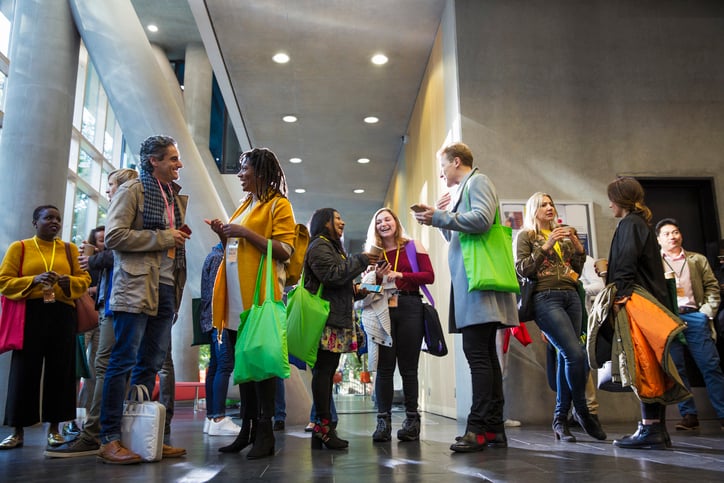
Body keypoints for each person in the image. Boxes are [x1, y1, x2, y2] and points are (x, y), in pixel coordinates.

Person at [413, 142, 518, 452]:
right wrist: (442, 216)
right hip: (471, 284)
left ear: (456, 161)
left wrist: (441, 218)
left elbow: (483, 220)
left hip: (478, 285)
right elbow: (456, 235)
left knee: (477, 356)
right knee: (485, 356)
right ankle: (494, 429)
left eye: (443, 166)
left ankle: (477, 428)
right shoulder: (463, 190)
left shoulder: (479, 181)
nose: (441, 172)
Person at [98, 135, 189, 464]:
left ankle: (140, 436)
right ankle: (109, 438)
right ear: (154, 161)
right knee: (122, 361)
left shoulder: (172, 196)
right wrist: (165, 237)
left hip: (166, 287)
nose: (179, 164)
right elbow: (114, 236)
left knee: (150, 365)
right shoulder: (132, 190)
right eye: (173, 159)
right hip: (136, 287)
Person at [207, 147, 297, 459]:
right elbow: (235, 248)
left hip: (258, 296)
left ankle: (265, 432)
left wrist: (244, 232)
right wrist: (225, 235)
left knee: (261, 367)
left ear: (260, 171)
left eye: (245, 169)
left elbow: (285, 249)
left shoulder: (278, 205)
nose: (240, 174)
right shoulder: (246, 203)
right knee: (244, 367)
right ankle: (246, 430)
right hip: (233, 295)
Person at [45, 169, 139, 458]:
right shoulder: (123, 212)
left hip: (120, 301)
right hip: (111, 302)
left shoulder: (128, 212)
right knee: (105, 365)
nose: (108, 190)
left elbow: (125, 251)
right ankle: (101, 430)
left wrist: (94, 259)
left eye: (111, 185)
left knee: (107, 365)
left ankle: (97, 432)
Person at [515, 192, 606, 442]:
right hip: (545, 298)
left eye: (551, 204)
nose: (549, 208)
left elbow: (575, 270)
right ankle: (583, 413)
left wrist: (578, 249)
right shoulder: (526, 236)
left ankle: (560, 419)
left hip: (571, 297)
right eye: (543, 204)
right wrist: (546, 245)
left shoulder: (564, 236)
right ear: (533, 209)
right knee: (574, 353)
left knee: (570, 357)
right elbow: (522, 269)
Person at [0, 205, 91, 450]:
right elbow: (4, 281)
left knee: (61, 372)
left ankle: (55, 430)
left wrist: (67, 281)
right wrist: (34, 280)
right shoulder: (19, 248)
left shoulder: (69, 250)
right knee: (24, 371)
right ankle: (17, 432)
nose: (55, 222)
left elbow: (85, 280)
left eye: (58, 218)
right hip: (30, 314)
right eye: (48, 217)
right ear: (35, 222)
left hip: (62, 313)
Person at [602, 177, 683, 450]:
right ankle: (656, 428)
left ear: (621, 199)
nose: (609, 203)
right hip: (647, 300)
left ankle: (650, 429)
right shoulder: (638, 224)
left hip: (637, 301)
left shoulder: (630, 224)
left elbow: (626, 261)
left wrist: (620, 295)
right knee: (652, 363)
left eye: (612, 197)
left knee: (645, 364)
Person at [303, 207, 379, 450]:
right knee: (323, 373)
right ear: (324, 222)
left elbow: (336, 282)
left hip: (333, 317)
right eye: (337, 218)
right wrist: (362, 259)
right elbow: (333, 275)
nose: (342, 222)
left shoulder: (331, 246)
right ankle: (323, 427)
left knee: (326, 372)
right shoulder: (319, 245)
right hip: (326, 320)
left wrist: (356, 291)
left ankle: (322, 428)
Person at [364, 208, 434, 442]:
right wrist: (377, 278)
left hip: (410, 307)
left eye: (387, 219)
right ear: (375, 228)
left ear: (396, 221)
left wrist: (399, 275)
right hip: (382, 308)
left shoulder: (413, 246)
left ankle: (412, 422)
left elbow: (429, 276)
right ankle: (383, 422)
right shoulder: (372, 255)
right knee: (384, 368)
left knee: (409, 368)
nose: (383, 224)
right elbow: (368, 290)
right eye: (379, 221)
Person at [655, 218, 724, 431]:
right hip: (669, 319)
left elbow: (712, 287)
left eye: (675, 232)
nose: (672, 237)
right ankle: (689, 416)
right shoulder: (655, 262)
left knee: (710, 366)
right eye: (667, 234)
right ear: (659, 239)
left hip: (695, 316)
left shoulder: (697, 259)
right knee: (677, 369)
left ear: (681, 235)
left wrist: (706, 313)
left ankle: (722, 414)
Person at [201, 242, 241, 436]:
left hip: (213, 318)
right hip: (220, 318)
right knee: (224, 365)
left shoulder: (213, 255)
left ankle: (212, 417)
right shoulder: (220, 258)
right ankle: (218, 416)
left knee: (216, 366)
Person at [70, 225, 105, 438]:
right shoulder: (83, 260)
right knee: (77, 366)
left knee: (96, 366)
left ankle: (90, 413)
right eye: (100, 240)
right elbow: (76, 284)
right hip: (84, 314)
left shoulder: (109, 261)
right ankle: (72, 416)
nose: (103, 243)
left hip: (101, 314)